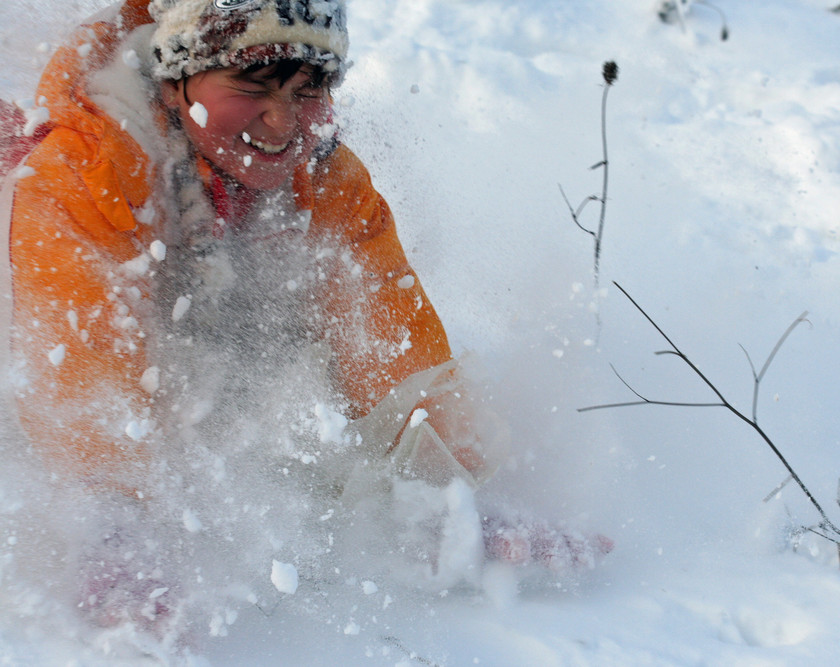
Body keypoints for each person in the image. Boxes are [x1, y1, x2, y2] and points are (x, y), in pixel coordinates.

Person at [2, 0, 610, 645]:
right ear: (175, 80)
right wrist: (111, 519)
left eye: (311, 87)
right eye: (251, 84)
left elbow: (390, 346)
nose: (283, 120)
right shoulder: (86, 165)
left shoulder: (326, 180)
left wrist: (443, 493)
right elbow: (78, 362)